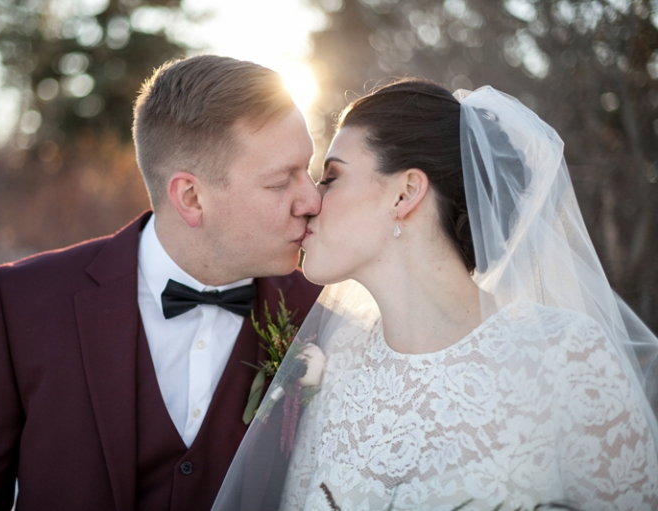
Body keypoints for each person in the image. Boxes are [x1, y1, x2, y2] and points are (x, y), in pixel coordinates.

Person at [212, 79, 658, 510]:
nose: (311, 201)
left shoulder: (569, 357)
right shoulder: (337, 357)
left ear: (405, 193)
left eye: (330, 177)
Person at [0, 55, 323, 510]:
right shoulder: (25, 303)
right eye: (280, 182)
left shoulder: (323, 314)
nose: (311, 199)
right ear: (191, 197)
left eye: (307, 170)